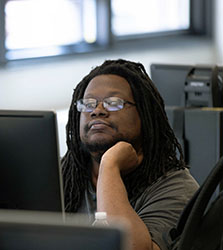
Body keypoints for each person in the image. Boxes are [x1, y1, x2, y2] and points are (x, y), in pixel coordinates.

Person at [61, 59, 199, 250]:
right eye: (89, 104)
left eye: (113, 103)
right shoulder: (61, 176)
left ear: (143, 114)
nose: (97, 111)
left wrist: (109, 167)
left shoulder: (176, 188)